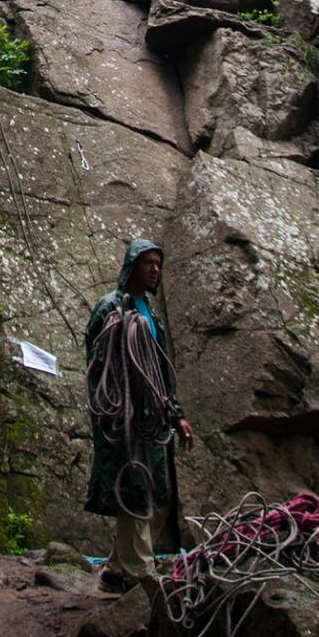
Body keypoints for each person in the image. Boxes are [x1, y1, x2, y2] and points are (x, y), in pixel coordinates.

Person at [84, 238, 193, 593]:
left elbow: (160, 370)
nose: (155, 270)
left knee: (140, 488)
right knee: (134, 489)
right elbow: (96, 362)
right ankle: (141, 569)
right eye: (148, 263)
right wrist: (112, 407)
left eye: (158, 264)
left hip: (149, 417)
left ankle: (117, 567)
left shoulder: (151, 315)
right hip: (121, 416)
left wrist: (176, 416)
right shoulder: (109, 307)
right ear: (132, 266)